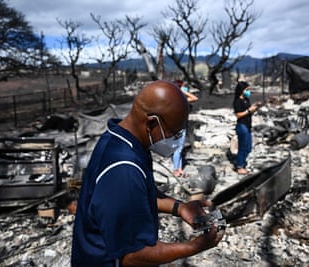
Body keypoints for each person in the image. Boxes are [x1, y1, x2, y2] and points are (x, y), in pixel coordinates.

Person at [71, 80, 224, 266]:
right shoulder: (123, 169)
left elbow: (142, 194)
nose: (176, 141)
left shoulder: (121, 139)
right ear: (152, 123)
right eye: (174, 133)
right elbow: (134, 256)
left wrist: (180, 207)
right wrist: (195, 246)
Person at [233, 81, 261, 175]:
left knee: (248, 147)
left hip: (248, 125)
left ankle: (243, 163)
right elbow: (238, 115)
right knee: (243, 146)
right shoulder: (238, 101)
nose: (248, 91)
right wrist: (249, 111)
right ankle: (239, 166)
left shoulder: (246, 100)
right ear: (242, 90)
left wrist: (254, 108)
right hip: (242, 126)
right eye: (246, 89)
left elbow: (249, 112)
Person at [172, 81, 198, 178]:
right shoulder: (179, 100)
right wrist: (183, 92)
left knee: (180, 148)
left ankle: (179, 169)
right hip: (178, 126)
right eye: (183, 87)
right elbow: (194, 98)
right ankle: (176, 170)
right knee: (177, 149)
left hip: (182, 125)